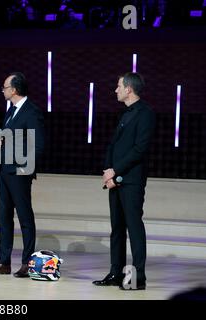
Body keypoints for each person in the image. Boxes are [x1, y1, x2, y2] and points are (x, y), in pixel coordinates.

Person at [93, 72, 156, 290]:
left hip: (131, 180)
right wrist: (108, 172)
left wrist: (116, 172)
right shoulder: (125, 114)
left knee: (133, 227)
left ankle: (138, 278)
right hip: (116, 179)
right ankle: (115, 272)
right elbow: (114, 146)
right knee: (117, 228)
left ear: (129, 89)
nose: (115, 89)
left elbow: (140, 149)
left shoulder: (145, 114)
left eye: (119, 86)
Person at [0, 72, 44, 278]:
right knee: (4, 217)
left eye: (5, 87)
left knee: (25, 217)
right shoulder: (10, 111)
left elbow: (38, 144)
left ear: (14, 89)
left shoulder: (32, 111)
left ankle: (27, 262)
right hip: (5, 170)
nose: (3, 90)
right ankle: (4, 261)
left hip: (20, 170)